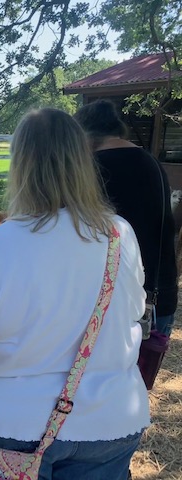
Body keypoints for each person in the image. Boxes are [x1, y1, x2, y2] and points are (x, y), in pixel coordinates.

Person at [0, 108, 149, 479]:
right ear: (83, 159)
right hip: (111, 423)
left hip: (13, 427)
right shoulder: (119, 234)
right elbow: (134, 309)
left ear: (20, 164)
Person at [75, 99, 178, 336]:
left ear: (84, 135)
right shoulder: (152, 162)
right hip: (159, 295)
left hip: (115, 304)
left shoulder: (94, 169)